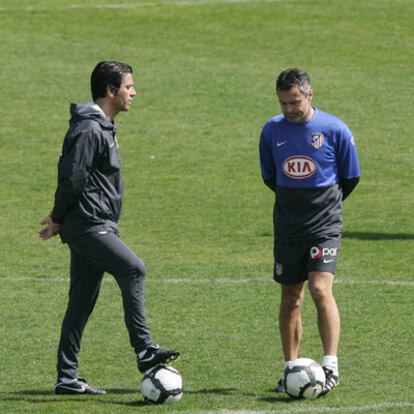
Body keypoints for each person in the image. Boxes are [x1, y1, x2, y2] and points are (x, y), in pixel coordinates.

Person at [39, 61, 179, 395]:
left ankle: (66, 378)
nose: (134, 92)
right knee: (133, 269)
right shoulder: (88, 130)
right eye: (129, 87)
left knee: (81, 301)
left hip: (97, 223)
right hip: (88, 225)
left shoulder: (101, 127)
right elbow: (71, 178)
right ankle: (144, 350)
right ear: (111, 91)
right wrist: (58, 217)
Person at [259, 68, 360, 396]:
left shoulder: (334, 129)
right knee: (291, 296)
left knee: (319, 288)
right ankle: (291, 367)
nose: (289, 109)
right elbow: (270, 176)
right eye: (283, 103)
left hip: (325, 225)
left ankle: (330, 365)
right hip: (288, 225)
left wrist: (324, 207)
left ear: (310, 94)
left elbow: (350, 177)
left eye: (295, 102)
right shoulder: (271, 131)